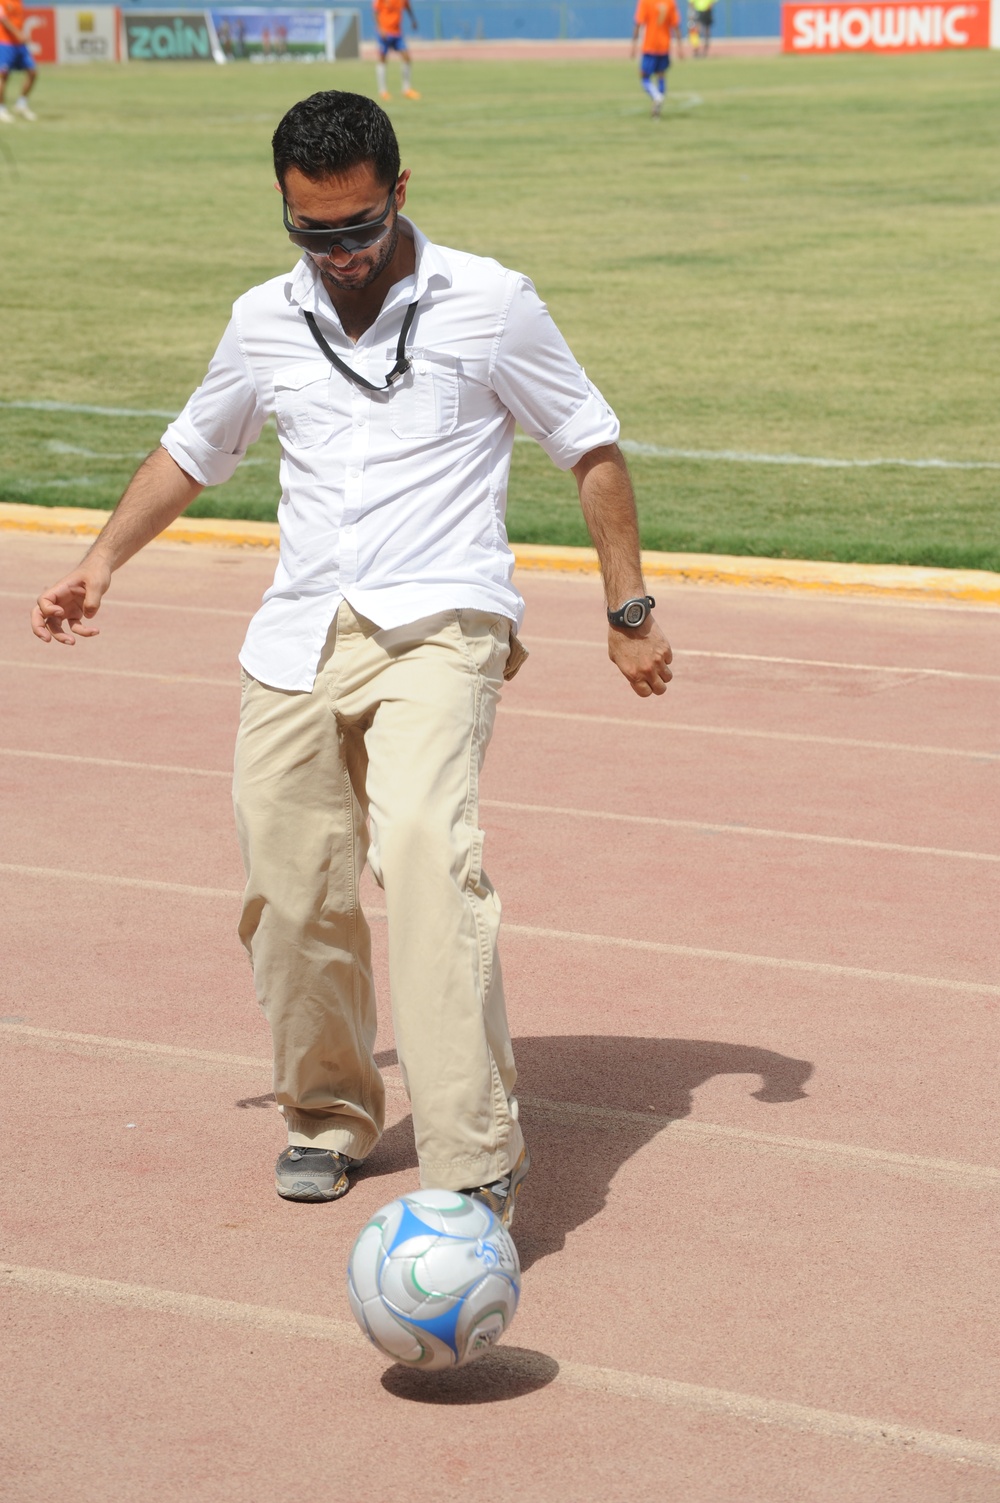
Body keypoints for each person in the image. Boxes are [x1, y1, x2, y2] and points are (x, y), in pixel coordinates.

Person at [31, 91, 672, 1226]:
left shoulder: (492, 303)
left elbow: (590, 445)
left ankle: (475, 1157)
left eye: (358, 228)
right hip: (296, 637)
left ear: (400, 192)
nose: (338, 254)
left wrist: (628, 614)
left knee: (425, 849)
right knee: (289, 890)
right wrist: (102, 561)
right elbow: (194, 446)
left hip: (443, 621)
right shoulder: (261, 318)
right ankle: (329, 1113)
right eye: (312, 232)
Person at [631, 0, 682, 118]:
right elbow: (676, 25)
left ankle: (656, 96)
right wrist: (680, 47)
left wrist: (633, 45)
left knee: (644, 77)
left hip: (650, 45)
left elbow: (638, 23)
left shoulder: (645, 2)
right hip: (664, 45)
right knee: (661, 74)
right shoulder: (670, 2)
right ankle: (657, 110)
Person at [373, 0, 419, 101]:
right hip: (385, 32)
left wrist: (413, 20)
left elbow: (408, 7)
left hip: (397, 33)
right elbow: (376, 11)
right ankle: (383, 91)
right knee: (382, 59)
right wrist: (380, 28)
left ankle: (406, 89)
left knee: (407, 57)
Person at [0, 0, 37, 124]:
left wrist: (20, 35)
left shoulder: (18, 1)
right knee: (3, 76)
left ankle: (21, 104)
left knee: (32, 72)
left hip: (19, 44)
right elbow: (3, 18)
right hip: (5, 43)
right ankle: (1, 109)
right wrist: (18, 33)